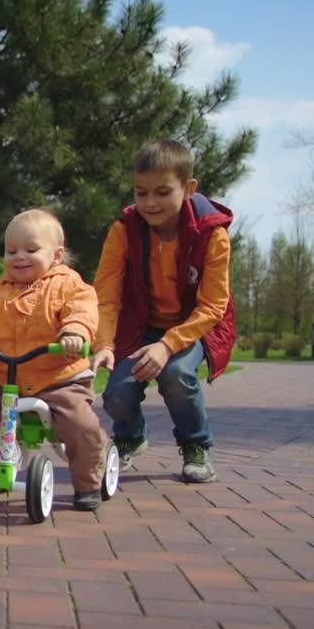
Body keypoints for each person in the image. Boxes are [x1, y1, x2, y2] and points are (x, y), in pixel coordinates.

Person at [90, 139, 236, 484]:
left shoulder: (211, 235)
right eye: (141, 193)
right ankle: (131, 435)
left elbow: (214, 304)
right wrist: (105, 345)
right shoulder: (123, 232)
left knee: (177, 376)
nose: (150, 202)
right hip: (140, 328)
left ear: (188, 189)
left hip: (191, 326)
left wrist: (169, 345)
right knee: (117, 395)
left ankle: (196, 446)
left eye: (162, 191)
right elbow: (106, 295)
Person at [0, 209, 109, 511]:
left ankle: (88, 482)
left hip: (60, 379)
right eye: (11, 251)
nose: (19, 257)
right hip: (9, 384)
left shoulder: (68, 285)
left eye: (31, 250)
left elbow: (81, 310)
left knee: (79, 423)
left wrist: (74, 333)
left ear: (57, 255)